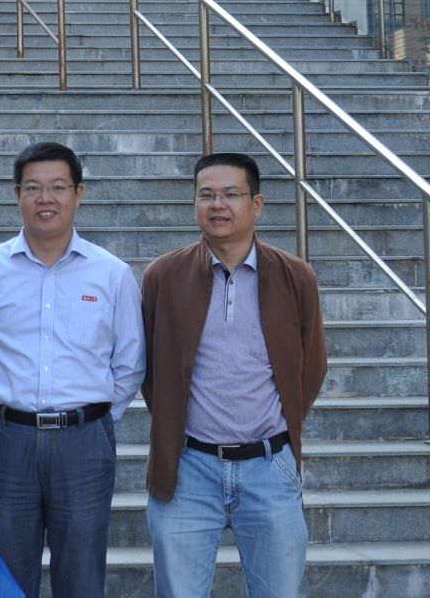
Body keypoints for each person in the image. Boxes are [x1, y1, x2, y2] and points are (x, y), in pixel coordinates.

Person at [0, 140, 145, 598]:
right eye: (33, 188)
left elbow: (130, 363)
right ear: (17, 194)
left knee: (81, 577)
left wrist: (92, 419)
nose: (46, 199)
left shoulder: (111, 273)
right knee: (4, 578)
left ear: (78, 193)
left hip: (84, 444)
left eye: (58, 187)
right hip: (9, 441)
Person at [141, 153, 328, 598]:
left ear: (257, 204)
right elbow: (149, 370)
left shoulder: (295, 277)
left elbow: (312, 366)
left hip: (269, 467)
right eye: (206, 195)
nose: (217, 205)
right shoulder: (163, 276)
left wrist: (279, 430)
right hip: (187, 469)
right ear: (194, 203)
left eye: (230, 194)